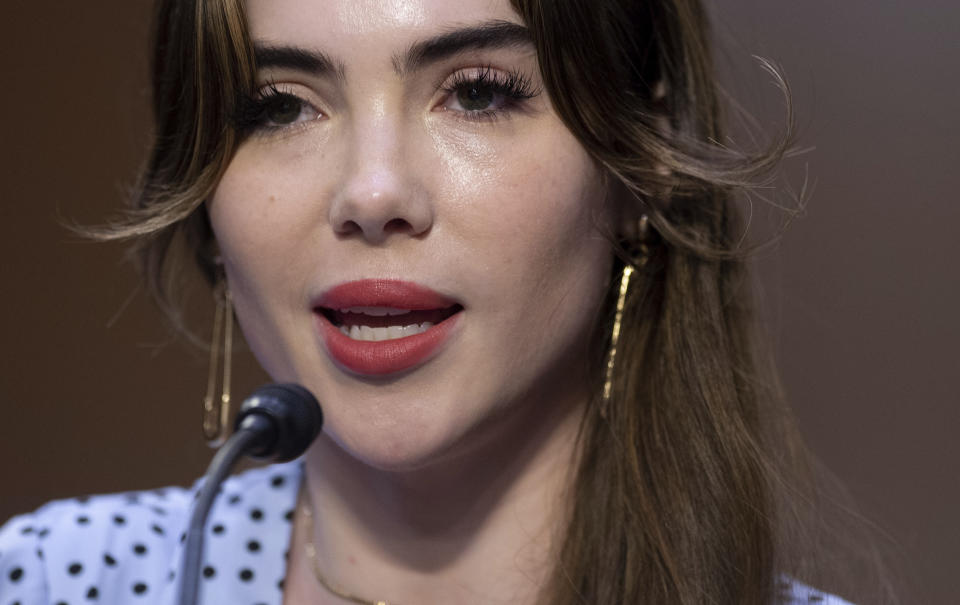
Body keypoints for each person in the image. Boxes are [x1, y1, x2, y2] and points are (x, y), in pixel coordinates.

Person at [0, 0, 884, 603]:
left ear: (635, 166)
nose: (373, 191)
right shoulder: (53, 580)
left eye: (477, 92)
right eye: (278, 107)